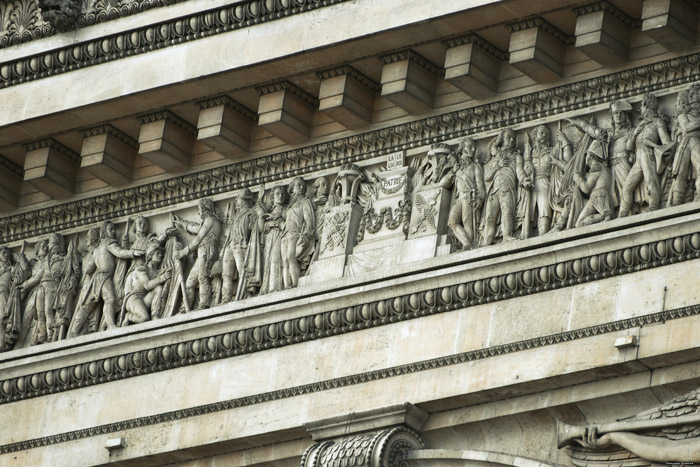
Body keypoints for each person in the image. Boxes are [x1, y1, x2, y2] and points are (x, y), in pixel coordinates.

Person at [67, 222, 144, 337]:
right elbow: (120, 253)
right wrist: (132, 252)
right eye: (110, 229)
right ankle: (111, 325)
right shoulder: (108, 242)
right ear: (103, 232)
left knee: (87, 305)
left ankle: (73, 331)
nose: (113, 232)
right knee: (110, 299)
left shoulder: (96, 249)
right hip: (104, 276)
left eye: (113, 229)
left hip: (96, 278)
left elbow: (89, 269)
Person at [567, 100, 635, 209]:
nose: (618, 115)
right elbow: (592, 130)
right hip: (609, 166)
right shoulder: (608, 133)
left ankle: (629, 211)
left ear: (626, 115)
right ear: (612, 116)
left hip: (623, 163)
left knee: (626, 188)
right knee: (613, 195)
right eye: (615, 113)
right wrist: (579, 123)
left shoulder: (630, 131)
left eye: (621, 112)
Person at [620, 94, 672, 216]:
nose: (640, 111)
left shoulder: (657, 122)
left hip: (648, 153)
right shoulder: (640, 125)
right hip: (638, 155)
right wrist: (634, 135)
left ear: (646, 105)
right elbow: (629, 147)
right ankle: (623, 212)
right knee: (627, 185)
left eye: (641, 107)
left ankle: (654, 205)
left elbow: (666, 142)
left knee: (650, 179)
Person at [173, 198, 222, 311]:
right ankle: (185, 307)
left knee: (202, 277)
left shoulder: (211, 220)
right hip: (202, 251)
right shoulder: (207, 222)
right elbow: (195, 228)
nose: (198, 213)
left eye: (199, 210)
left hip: (207, 250)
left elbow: (198, 238)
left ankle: (204, 304)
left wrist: (184, 251)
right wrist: (181, 223)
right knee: (190, 281)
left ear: (205, 209)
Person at [482, 129, 524, 245]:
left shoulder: (517, 156)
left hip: (508, 189)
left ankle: (507, 236)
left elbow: (519, 171)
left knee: (507, 212)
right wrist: (497, 165)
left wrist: (524, 180)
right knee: (490, 217)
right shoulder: (496, 158)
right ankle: (487, 242)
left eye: (514, 139)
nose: (512, 140)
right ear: (501, 140)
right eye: (509, 137)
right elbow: (487, 177)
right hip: (494, 192)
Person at [442, 137, 485, 249]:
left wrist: (480, 199)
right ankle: (467, 243)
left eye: (474, 147)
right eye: (470, 147)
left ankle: (467, 245)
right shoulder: (457, 168)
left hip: (469, 197)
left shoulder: (475, 166)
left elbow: (480, 186)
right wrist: (453, 172)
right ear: (462, 149)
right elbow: (443, 183)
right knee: (452, 222)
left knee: (467, 222)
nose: (473, 149)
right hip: (459, 199)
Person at [220, 189, 259, 302]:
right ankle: (225, 298)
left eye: (238, 198)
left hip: (241, 245)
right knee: (226, 274)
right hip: (230, 245)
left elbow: (255, 231)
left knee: (242, 270)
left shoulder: (251, 213)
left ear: (245, 199)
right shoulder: (235, 216)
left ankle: (247, 293)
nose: (236, 200)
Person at [121, 244, 172, 326]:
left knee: (158, 288)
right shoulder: (141, 269)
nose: (160, 255)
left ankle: (155, 315)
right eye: (157, 253)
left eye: (161, 255)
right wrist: (163, 277)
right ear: (150, 255)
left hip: (145, 299)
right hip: (133, 298)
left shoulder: (157, 272)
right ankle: (128, 316)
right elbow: (147, 285)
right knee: (144, 318)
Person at [280, 178, 315, 289]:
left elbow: (309, 220)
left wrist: (306, 234)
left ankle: (295, 284)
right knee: (284, 261)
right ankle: (287, 285)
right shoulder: (289, 206)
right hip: (285, 235)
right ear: (292, 189)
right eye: (298, 185)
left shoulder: (305, 202)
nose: (302, 187)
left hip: (295, 233)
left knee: (291, 257)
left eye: (303, 186)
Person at [669, 85, 700, 205]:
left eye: (696, 93)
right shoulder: (683, 113)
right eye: (692, 94)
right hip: (686, 142)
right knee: (680, 172)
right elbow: (686, 127)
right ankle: (677, 200)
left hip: (696, 141)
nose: (694, 96)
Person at [574, 140, 613, 227]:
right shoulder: (605, 168)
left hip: (598, 197)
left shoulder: (596, 167)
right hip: (599, 197)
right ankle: (605, 216)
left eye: (586, 155)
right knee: (579, 224)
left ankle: (605, 216)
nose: (585, 158)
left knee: (579, 224)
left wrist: (578, 179)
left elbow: (586, 189)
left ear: (591, 156)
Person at [258, 186, 288, 294]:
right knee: (267, 261)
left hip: (278, 235)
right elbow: (261, 229)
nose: (280, 196)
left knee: (275, 259)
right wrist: (262, 220)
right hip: (268, 238)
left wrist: (277, 222)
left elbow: (288, 224)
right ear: (272, 197)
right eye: (277, 194)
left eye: (282, 194)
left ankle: (275, 287)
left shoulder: (285, 209)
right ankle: (266, 287)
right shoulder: (269, 211)